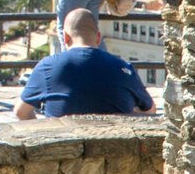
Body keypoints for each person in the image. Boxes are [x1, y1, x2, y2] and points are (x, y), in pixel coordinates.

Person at [15, 9, 153, 120]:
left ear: (66, 37)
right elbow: (150, 110)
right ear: (98, 37)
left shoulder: (47, 66)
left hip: (64, 148)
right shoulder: (124, 68)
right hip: (114, 149)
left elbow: (21, 112)